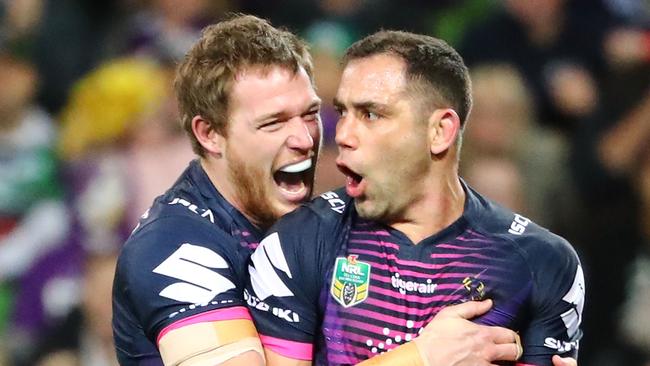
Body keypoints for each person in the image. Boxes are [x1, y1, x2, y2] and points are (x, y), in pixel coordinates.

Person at [112, 14, 577, 366]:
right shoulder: (175, 247)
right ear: (210, 134)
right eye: (274, 122)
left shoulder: (314, 223)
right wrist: (422, 357)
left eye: (310, 113)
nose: (306, 138)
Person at [244, 30, 584, 366]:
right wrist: (422, 358)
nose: (343, 134)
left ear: (440, 131)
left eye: (370, 114)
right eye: (342, 112)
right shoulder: (298, 242)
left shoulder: (541, 263)